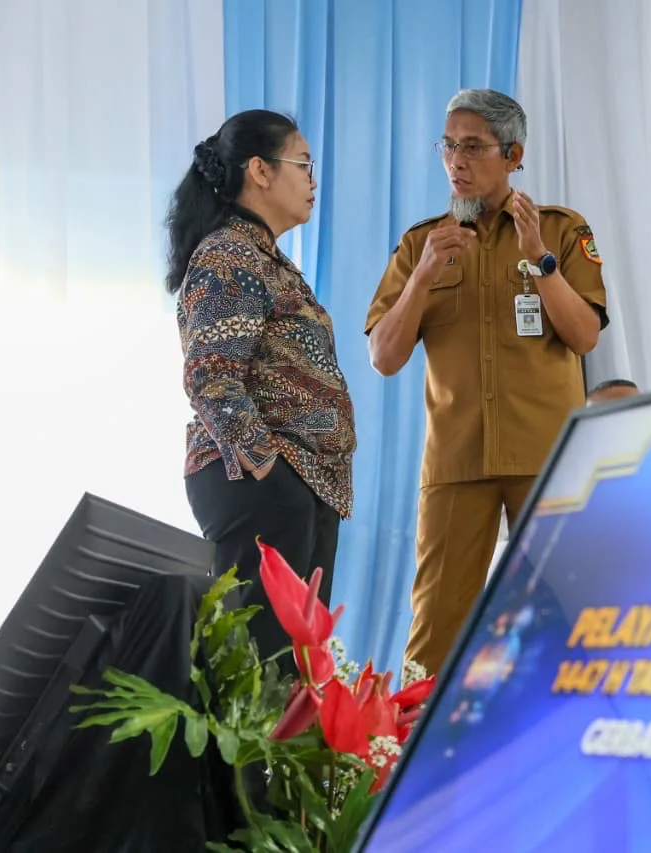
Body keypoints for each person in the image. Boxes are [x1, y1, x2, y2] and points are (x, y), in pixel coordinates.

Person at [365, 89, 608, 674]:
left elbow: (584, 337)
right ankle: (412, 760)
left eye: (472, 146)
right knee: (434, 638)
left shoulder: (561, 230)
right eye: (448, 146)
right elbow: (384, 356)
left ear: (513, 153)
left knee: (561, 623)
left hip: (546, 461)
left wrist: (539, 260)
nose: (456, 161)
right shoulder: (421, 243)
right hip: (456, 463)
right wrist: (423, 276)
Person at [168, 109, 356, 659]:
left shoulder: (264, 257)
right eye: (304, 163)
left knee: (292, 671)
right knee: (257, 671)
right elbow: (211, 375)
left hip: (298, 487)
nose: (313, 180)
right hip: (263, 483)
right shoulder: (229, 255)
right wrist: (269, 469)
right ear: (260, 170)